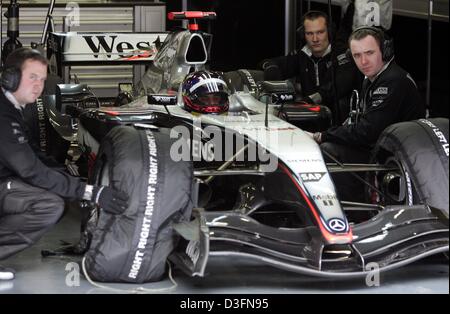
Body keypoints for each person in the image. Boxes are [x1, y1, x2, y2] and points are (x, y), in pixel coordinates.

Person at [0, 48, 129, 280]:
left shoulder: (11, 109)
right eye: (32, 77)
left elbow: (36, 155)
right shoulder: (3, 114)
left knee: (55, 191)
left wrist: (73, 181)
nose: (39, 86)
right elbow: (29, 169)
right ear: (11, 77)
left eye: (42, 79)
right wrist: (90, 193)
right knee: (48, 204)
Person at [309, 26, 425, 201]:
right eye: (357, 55)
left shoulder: (392, 81)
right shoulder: (374, 78)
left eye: (369, 53)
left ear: (385, 51)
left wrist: (321, 136)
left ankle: (356, 217)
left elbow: (367, 131)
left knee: (329, 150)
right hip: (385, 150)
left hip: (398, 159)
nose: (363, 61)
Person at [261, 9, 362, 124]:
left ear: (329, 31)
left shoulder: (342, 54)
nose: (315, 39)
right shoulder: (302, 55)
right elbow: (271, 63)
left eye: (320, 32)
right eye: (310, 33)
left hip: (341, 126)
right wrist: (273, 78)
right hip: (310, 119)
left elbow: (339, 85)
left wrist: (307, 101)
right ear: (303, 35)